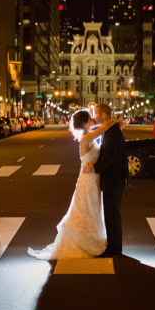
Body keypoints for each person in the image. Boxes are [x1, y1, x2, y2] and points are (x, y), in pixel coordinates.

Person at [27, 109, 121, 260]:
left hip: (93, 179)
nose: (93, 121)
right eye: (91, 119)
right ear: (84, 123)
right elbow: (105, 127)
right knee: (87, 210)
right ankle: (87, 242)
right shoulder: (86, 138)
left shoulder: (88, 136)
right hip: (88, 181)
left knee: (92, 211)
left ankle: (92, 239)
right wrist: (114, 120)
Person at [84, 103, 130, 258]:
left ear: (103, 115)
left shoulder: (112, 132)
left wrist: (94, 168)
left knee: (112, 215)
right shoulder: (109, 130)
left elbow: (109, 156)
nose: (93, 116)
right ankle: (113, 246)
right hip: (113, 179)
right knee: (111, 214)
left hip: (114, 179)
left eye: (95, 114)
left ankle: (114, 249)